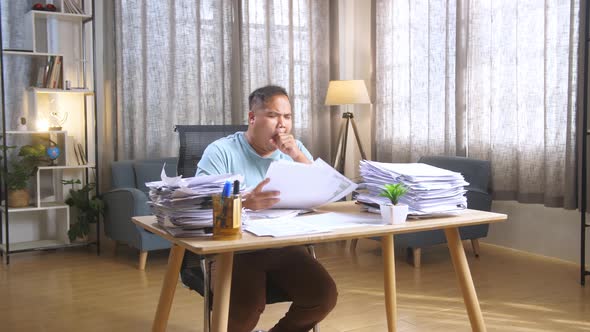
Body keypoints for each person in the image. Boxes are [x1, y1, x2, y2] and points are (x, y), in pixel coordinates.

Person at [197, 85, 338, 332]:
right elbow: (198, 203)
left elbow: (326, 193)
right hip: (234, 250)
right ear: (252, 118)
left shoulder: (295, 151)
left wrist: (297, 155)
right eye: (273, 115)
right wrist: (243, 202)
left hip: (282, 245)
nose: (282, 124)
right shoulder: (220, 151)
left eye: (287, 117)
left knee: (322, 296)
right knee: (245, 307)